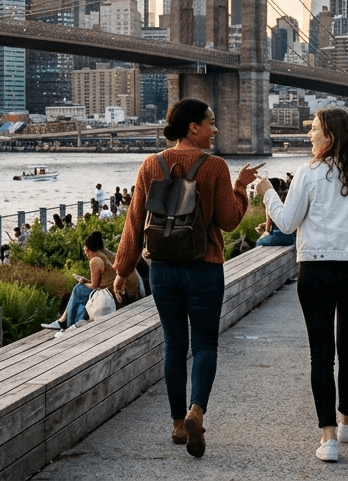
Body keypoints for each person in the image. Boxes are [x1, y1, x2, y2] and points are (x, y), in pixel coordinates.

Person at [112, 98, 260, 459]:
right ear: (193, 127)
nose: (215, 129)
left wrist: (122, 269)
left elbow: (134, 222)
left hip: (162, 269)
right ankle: (197, 411)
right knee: (205, 343)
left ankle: (178, 424)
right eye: (211, 123)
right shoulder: (214, 167)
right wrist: (241, 188)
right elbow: (228, 221)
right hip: (204, 266)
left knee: (174, 344)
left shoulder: (151, 164)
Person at [258, 106, 348, 463]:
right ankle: (347, 419)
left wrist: (267, 192)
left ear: (330, 136)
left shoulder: (309, 173)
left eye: (314, 129)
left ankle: (328, 439)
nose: (309, 135)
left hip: (316, 272)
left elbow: (287, 224)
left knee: (321, 354)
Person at [44, 231, 132, 330]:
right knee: (81, 296)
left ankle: (64, 323)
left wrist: (84, 282)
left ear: (87, 249)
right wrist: (85, 281)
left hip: (108, 294)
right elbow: (100, 281)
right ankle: (67, 322)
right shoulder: (102, 256)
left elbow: (94, 286)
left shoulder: (94, 260)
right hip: (111, 291)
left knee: (78, 289)